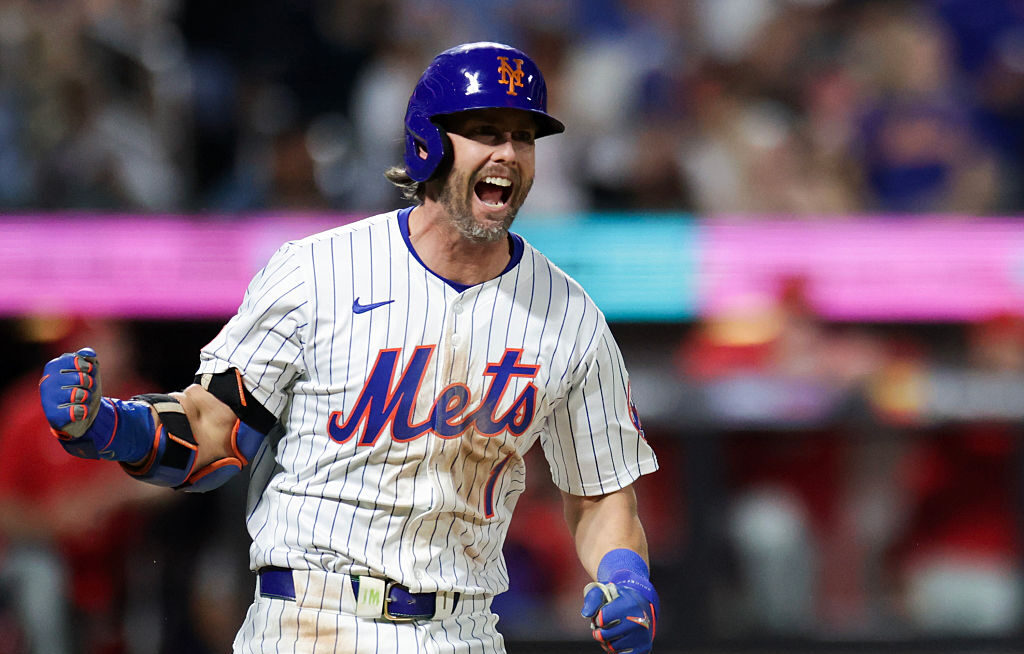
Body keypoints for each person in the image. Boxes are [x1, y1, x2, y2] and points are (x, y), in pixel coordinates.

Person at [39, 42, 660, 654]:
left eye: (523, 137)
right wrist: (108, 425)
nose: (508, 153)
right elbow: (214, 435)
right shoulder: (316, 271)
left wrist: (625, 577)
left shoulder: (569, 313)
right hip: (310, 619)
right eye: (485, 131)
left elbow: (601, 492)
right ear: (431, 144)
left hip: (462, 628)